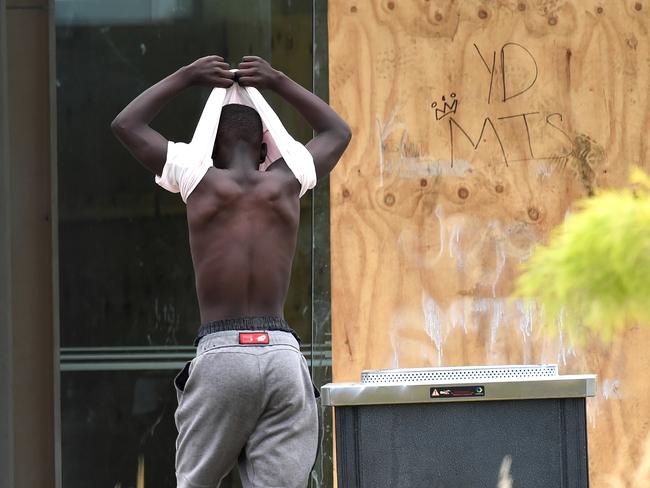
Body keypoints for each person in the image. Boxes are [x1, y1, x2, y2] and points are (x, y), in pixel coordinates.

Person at [111, 55, 351, 488]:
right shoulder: (285, 181)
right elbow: (338, 131)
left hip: (221, 355)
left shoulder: (199, 180)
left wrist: (187, 75)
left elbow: (126, 125)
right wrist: (276, 80)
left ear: (209, 147)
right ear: (265, 148)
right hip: (282, 356)